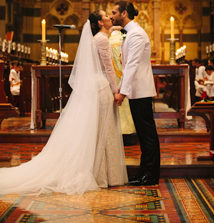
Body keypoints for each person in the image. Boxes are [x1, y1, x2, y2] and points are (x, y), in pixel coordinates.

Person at [0, 11, 127, 196]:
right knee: (104, 131)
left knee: (97, 129)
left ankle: (102, 173)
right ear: (100, 22)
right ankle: (104, 175)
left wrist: (119, 26)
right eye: (107, 16)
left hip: (94, 87)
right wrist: (116, 91)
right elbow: (108, 67)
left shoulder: (96, 38)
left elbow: (113, 29)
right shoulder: (102, 40)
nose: (110, 17)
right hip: (102, 88)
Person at [111, 0, 160, 186]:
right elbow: (127, 66)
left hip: (141, 91)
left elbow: (131, 66)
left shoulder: (137, 34)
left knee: (147, 134)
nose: (112, 16)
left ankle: (151, 174)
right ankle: (143, 172)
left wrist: (122, 93)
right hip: (135, 91)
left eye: (115, 12)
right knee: (142, 133)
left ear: (124, 14)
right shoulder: (130, 33)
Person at [109, 26, 136, 134]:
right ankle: (130, 128)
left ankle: (117, 129)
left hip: (114, 76)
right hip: (126, 75)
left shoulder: (108, 41)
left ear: (111, 31)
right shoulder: (126, 39)